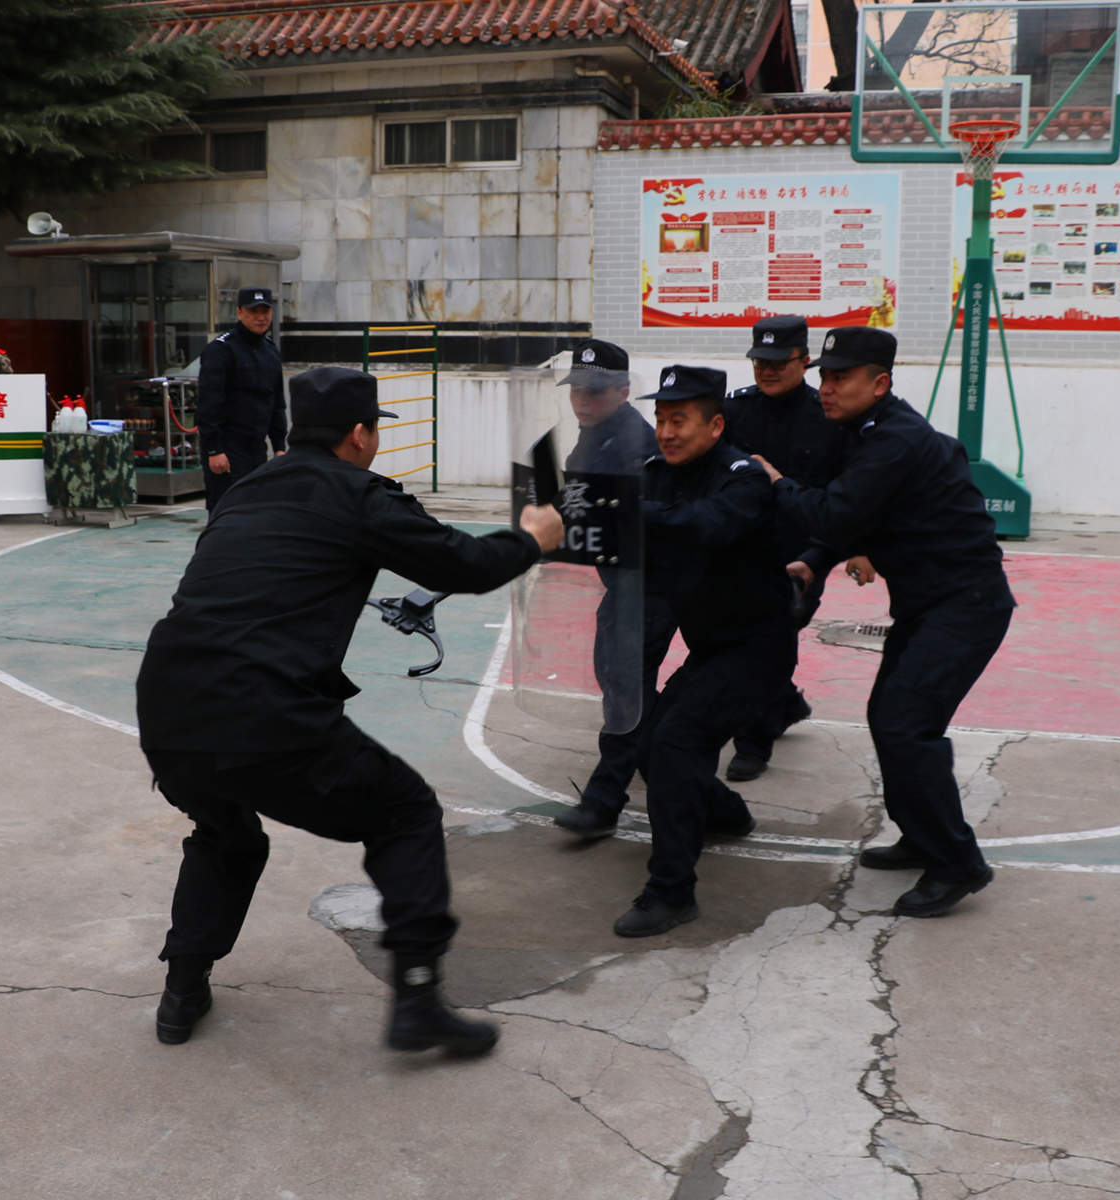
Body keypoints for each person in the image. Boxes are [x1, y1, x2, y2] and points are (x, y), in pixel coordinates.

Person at [136, 365, 565, 1053]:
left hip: (167, 707)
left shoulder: (247, 489)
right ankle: (418, 997)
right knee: (406, 813)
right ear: (360, 435)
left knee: (226, 833)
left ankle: (182, 990)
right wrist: (532, 538)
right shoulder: (359, 495)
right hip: (264, 712)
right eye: (374, 432)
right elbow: (462, 564)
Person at [753, 327, 1014, 919]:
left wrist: (776, 482)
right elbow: (855, 518)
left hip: (966, 605)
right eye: (824, 376)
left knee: (906, 724)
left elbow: (834, 511)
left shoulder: (895, 440)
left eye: (840, 377)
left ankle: (958, 862)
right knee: (890, 717)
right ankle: (922, 836)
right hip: (928, 604)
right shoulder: (865, 433)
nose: (827, 387)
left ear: (880, 384)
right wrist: (814, 560)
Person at [612, 364, 787, 937]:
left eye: (679, 420)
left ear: (715, 425)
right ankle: (726, 815)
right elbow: (620, 534)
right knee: (649, 746)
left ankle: (671, 892)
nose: (666, 432)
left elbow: (707, 526)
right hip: (709, 646)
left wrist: (627, 512)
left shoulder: (744, 478)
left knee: (675, 746)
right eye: (660, 419)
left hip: (756, 650)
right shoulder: (654, 475)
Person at [720, 314, 850, 783]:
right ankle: (785, 702)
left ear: (805, 361)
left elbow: (840, 497)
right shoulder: (734, 411)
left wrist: (825, 555)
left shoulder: (828, 417)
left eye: (778, 362)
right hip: (739, 546)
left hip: (800, 554)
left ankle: (753, 743)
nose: (767, 370)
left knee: (771, 639)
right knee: (742, 639)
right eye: (760, 361)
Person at [548, 339, 669, 839]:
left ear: (622, 392)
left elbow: (626, 521)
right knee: (621, 681)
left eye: (595, 391)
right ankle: (700, 791)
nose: (583, 399)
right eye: (577, 389)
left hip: (651, 583)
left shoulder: (631, 444)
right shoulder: (593, 435)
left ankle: (604, 799)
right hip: (623, 581)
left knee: (624, 683)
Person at [197, 286, 287, 512]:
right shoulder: (221, 350)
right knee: (225, 512)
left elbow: (276, 402)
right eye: (253, 311)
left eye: (265, 311)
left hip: (256, 449)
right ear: (239, 312)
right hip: (227, 449)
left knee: (254, 511)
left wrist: (279, 447)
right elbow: (209, 405)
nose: (261, 317)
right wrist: (214, 450)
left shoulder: (270, 351)